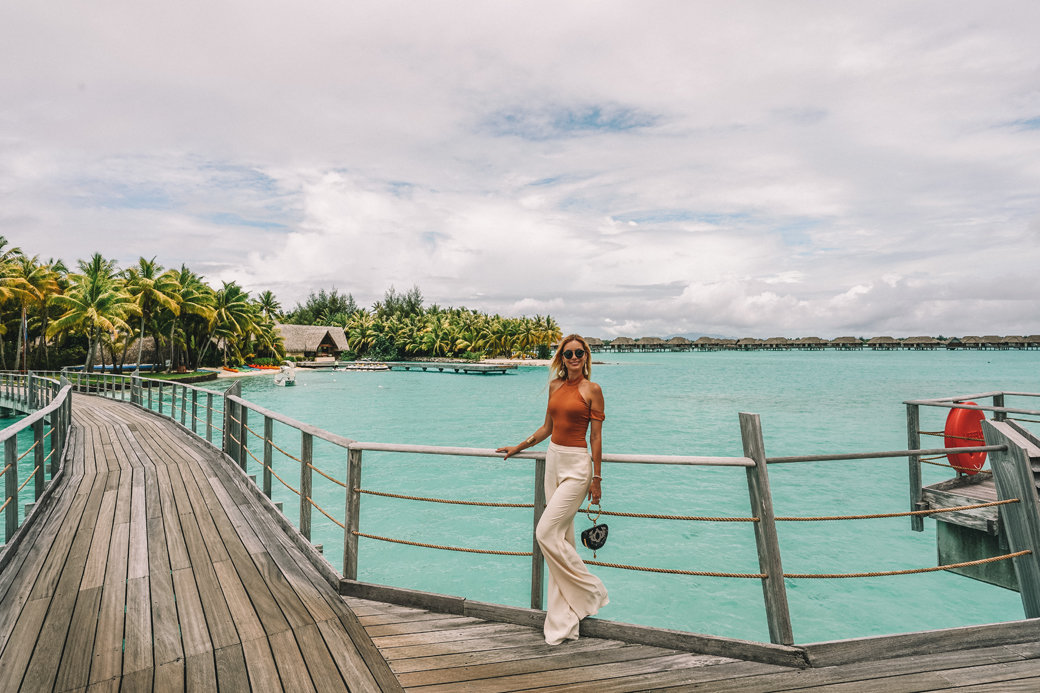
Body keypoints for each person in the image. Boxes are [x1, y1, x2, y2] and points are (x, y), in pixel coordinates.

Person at [497, 334, 609, 645]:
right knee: (562, 538)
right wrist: (519, 446)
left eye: (579, 352)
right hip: (553, 461)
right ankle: (565, 623)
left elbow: (597, 439)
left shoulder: (593, 390)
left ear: (586, 356)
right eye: (568, 353)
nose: (574, 357)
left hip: (577, 467)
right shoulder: (555, 386)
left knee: (545, 532)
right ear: (562, 357)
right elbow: (547, 428)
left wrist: (597, 479)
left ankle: (591, 589)